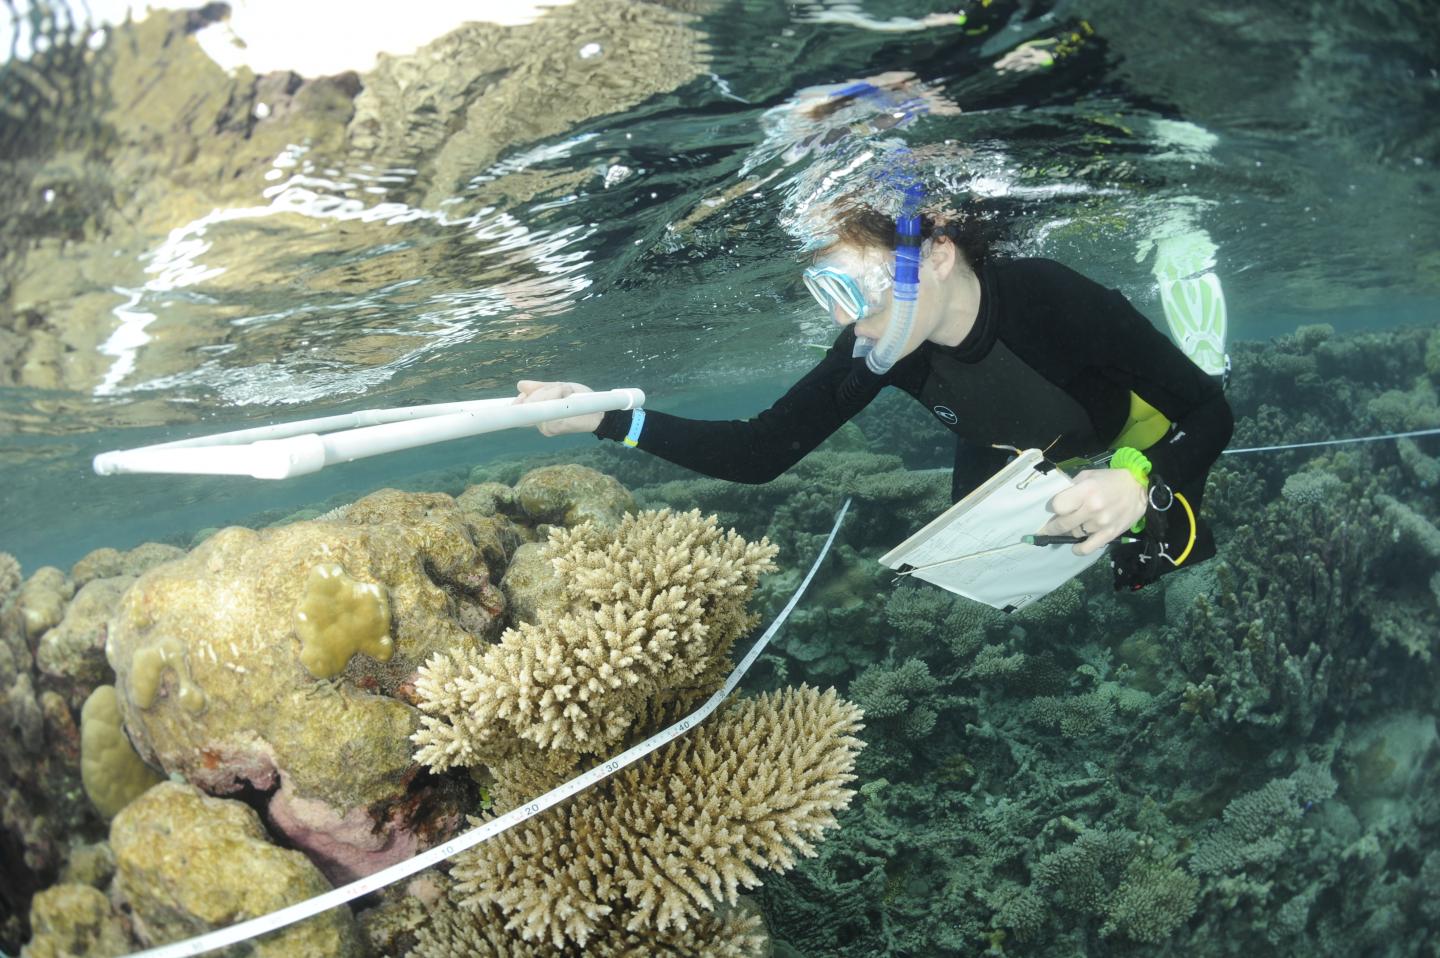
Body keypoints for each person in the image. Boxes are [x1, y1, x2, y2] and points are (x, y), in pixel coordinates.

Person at [515, 187, 1233, 592]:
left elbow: (1208, 413)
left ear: (940, 256)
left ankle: (1201, 346)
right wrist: (608, 418)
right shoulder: (877, 347)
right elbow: (759, 452)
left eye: (853, 285)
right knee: (982, 545)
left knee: (1169, 541)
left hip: (1125, 424)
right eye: (821, 290)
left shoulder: (1049, 298)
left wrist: (1139, 480)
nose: (841, 316)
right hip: (1006, 434)